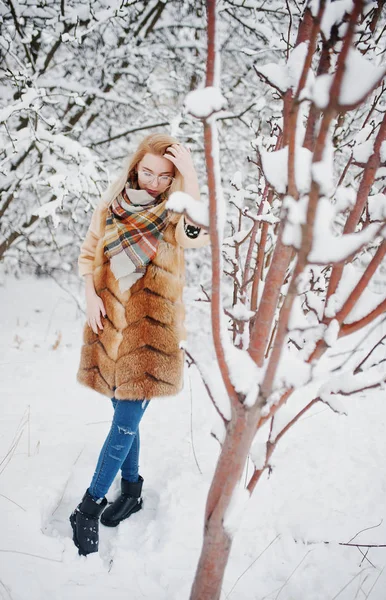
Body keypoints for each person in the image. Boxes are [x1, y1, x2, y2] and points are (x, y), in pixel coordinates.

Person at [70, 133, 209, 556]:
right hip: (110, 324)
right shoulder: (109, 210)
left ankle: (88, 507)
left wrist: (191, 178)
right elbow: (89, 256)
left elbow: (196, 234)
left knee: (126, 420)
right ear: (135, 168)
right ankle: (130, 491)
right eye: (147, 171)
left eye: (164, 177)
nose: (153, 181)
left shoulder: (174, 215)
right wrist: (92, 297)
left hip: (151, 336)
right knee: (123, 416)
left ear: (172, 181)